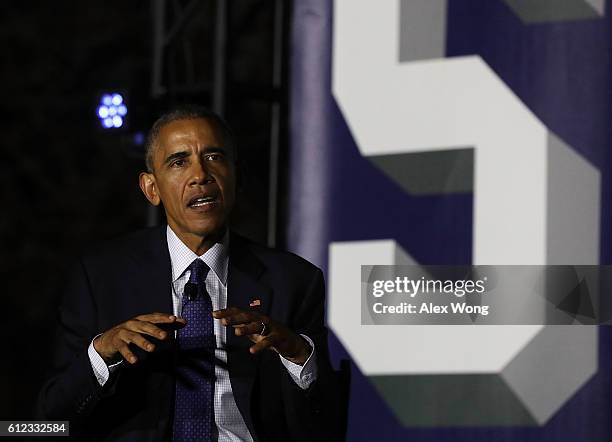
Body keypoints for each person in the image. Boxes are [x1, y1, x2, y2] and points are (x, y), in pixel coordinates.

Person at [37, 106, 342, 441]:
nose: (201, 175)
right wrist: (101, 353)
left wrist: (299, 356)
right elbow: (50, 417)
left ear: (234, 175)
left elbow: (325, 426)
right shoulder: (101, 276)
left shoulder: (293, 281)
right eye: (179, 161)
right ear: (151, 188)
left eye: (213, 157)